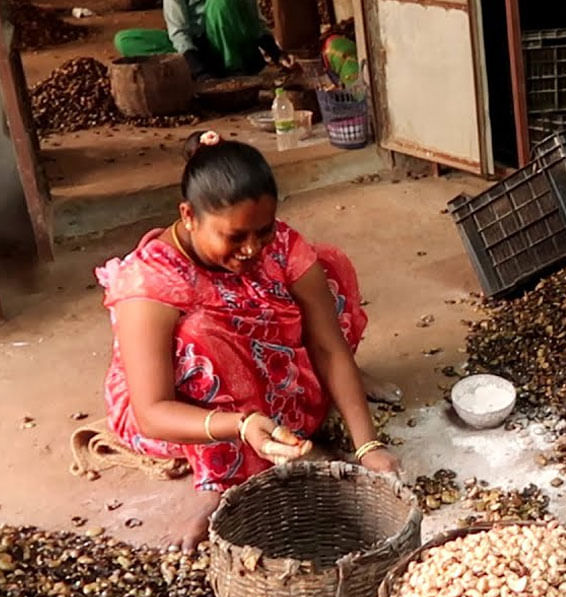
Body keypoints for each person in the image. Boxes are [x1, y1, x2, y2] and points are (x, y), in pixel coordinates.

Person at [96, 130, 400, 551]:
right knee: (201, 334)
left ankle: (334, 391)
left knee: (325, 267)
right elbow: (152, 412)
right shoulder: (149, 283)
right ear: (188, 215)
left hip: (262, 365)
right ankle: (223, 477)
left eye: (263, 231)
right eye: (235, 236)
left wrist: (367, 444)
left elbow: (328, 346)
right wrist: (239, 426)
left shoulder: (278, 246)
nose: (252, 248)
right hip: (185, 405)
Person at [114, 0, 286, 80]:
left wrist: (276, 53)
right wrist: (199, 70)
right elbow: (178, 31)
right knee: (125, 39)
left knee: (221, 4)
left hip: (234, 45)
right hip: (200, 49)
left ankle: (234, 70)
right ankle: (205, 69)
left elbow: (255, 22)